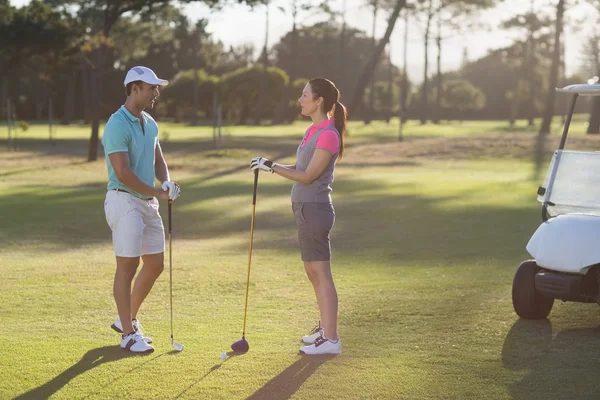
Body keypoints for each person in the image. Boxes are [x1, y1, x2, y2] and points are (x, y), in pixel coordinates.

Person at [250, 77, 346, 355]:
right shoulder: (312, 130)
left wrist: (271, 167)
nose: (300, 99)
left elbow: (307, 176)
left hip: (315, 209)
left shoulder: (328, 133)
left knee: (321, 273)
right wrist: (272, 164)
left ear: (319, 101)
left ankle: (331, 339)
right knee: (312, 272)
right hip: (305, 208)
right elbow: (300, 165)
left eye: (305, 95)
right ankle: (324, 329)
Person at [102, 66, 181, 354]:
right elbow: (122, 172)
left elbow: (158, 158)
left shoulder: (150, 122)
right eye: (151, 87)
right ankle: (127, 333)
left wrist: (168, 182)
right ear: (135, 88)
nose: (156, 92)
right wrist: (157, 191)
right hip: (124, 200)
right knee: (128, 266)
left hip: (147, 202)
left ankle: (126, 320)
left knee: (155, 264)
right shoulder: (117, 124)